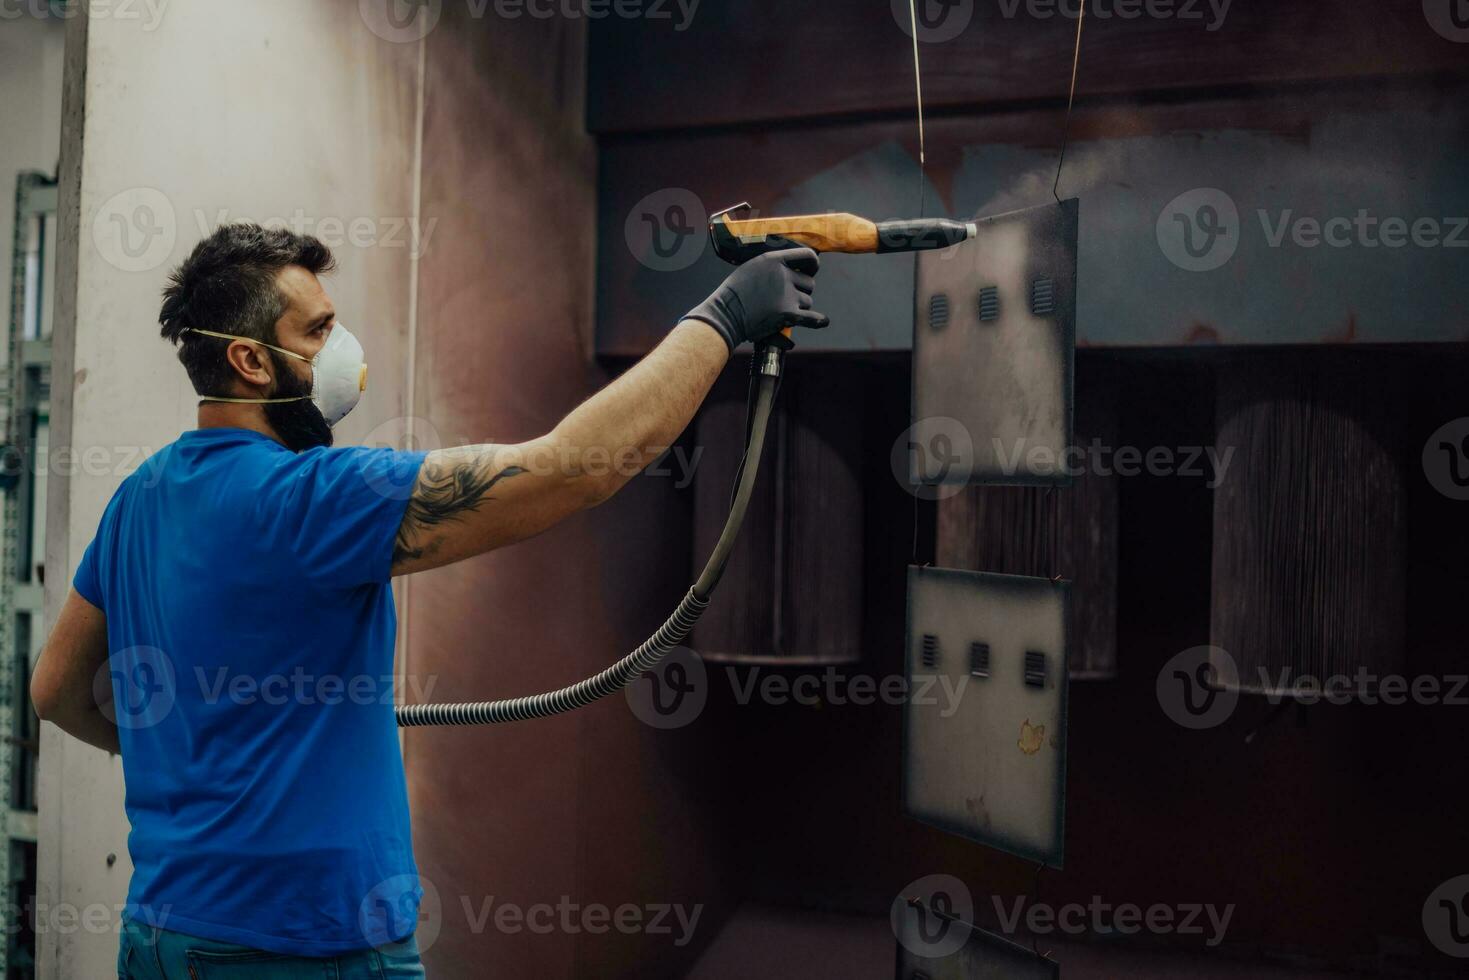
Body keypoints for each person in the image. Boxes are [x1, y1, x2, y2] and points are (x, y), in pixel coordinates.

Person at [28, 222, 826, 977]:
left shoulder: (139, 498)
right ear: (249, 360)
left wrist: (198, 755)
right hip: (304, 947)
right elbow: (577, 468)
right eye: (316, 331)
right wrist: (723, 317)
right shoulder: (314, 499)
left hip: (162, 934)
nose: (344, 353)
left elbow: (54, 691)